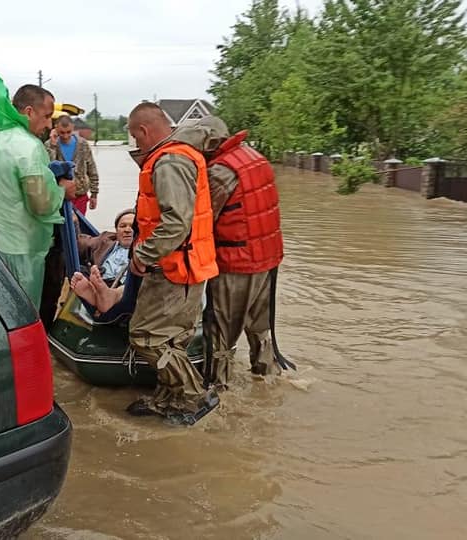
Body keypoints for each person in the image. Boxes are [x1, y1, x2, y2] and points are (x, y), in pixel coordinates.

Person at [122, 102, 219, 424]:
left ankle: (194, 396)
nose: (135, 145)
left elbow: (176, 223)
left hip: (177, 269)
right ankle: (168, 400)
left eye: (135, 137)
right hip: (185, 266)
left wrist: (141, 254)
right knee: (172, 339)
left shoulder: (169, 161)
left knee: (145, 337)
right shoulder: (178, 156)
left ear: (144, 131)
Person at [0, 68, 77, 305]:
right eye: (46, 117)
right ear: (29, 111)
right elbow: (41, 204)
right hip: (16, 249)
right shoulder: (30, 146)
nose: (48, 124)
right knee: (19, 310)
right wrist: (63, 190)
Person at [201, 117, 287, 384]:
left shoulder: (221, 171)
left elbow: (203, 218)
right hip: (268, 258)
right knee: (260, 327)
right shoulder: (255, 157)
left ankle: (218, 392)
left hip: (237, 262)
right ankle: (268, 378)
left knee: (220, 333)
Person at [45, 115, 100, 214]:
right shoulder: (49, 145)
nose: (65, 136)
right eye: (62, 132)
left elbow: (92, 169)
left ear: (73, 128)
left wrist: (94, 194)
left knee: (79, 226)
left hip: (80, 194)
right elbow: (48, 168)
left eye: (68, 132)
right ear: (56, 128)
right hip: (59, 195)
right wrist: (53, 146)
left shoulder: (83, 144)